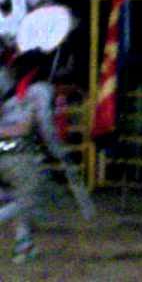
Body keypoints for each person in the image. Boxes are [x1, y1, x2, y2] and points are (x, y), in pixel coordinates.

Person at [0, 49, 95, 263]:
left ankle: (24, 245)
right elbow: (45, 126)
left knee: (19, 196)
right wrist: (58, 150)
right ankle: (23, 244)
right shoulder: (41, 90)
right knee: (31, 197)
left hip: (5, 148)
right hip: (16, 150)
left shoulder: (13, 92)